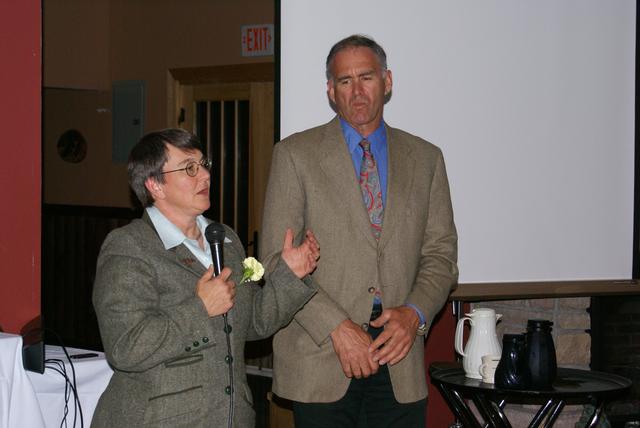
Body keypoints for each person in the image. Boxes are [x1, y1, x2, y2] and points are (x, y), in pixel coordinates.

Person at [261, 34, 458, 427]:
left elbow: (441, 255)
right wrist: (336, 326)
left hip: (399, 358)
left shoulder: (426, 158)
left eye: (366, 77)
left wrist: (414, 314)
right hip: (321, 359)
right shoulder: (294, 155)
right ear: (331, 92)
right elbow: (274, 261)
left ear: (387, 82)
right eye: (344, 81)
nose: (357, 91)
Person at [91, 128, 319, 427]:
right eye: (189, 168)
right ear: (155, 186)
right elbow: (126, 347)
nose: (205, 176)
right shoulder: (129, 247)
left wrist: (291, 275)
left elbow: (251, 323)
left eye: (204, 164)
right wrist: (200, 308)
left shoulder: (225, 240)